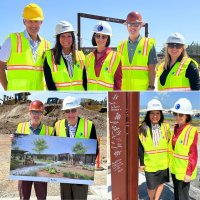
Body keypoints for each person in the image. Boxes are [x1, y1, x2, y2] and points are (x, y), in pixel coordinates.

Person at [54, 96, 98, 200]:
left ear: (78, 110)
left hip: (81, 172)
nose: (70, 114)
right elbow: (54, 146)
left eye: (73, 110)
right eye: (67, 111)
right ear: (64, 112)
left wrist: (86, 165)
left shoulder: (89, 125)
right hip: (64, 172)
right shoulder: (57, 125)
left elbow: (95, 148)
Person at [0, 3, 50, 91]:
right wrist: (7, 90)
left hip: (38, 94)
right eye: (30, 21)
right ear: (24, 21)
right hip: (16, 94)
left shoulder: (46, 45)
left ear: (41, 22)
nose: (33, 25)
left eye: (36, 21)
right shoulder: (12, 40)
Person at [11, 100, 53, 200]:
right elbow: (17, 147)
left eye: (39, 112)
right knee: (24, 197)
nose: (36, 115)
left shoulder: (49, 130)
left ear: (43, 114)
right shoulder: (21, 127)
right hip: (24, 169)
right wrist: (13, 139)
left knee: (41, 197)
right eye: (34, 112)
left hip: (41, 169)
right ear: (30, 113)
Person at [138, 99, 171, 200]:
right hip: (150, 164)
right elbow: (140, 148)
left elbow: (169, 144)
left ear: (161, 114)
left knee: (161, 183)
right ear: (148, 114)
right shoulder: (142, 128)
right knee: (151, 186)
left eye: (157, 113)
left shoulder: (166, 127)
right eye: (152, 113)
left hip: (163, 163)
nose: (155, 116)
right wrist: (142, 164)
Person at [117, 11, 157, 90]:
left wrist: (151, 87)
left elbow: (152, 69)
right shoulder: (120, 46)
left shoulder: (148, 44)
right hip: (124, 89)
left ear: (140, 26)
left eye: (136, 24)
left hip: (142, 91)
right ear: (126, 26)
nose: (133, 27)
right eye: (130, 24)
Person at [44, 21, 87, 90]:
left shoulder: (80, 55)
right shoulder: (50, 56)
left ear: (73, 37)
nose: (66, 39)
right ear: (58, 38)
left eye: (69, 36)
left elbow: (85, 81)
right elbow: (49, 84)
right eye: (62, 36)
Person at [169, 98, 198, 200]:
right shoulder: (175, 128)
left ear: (187, 116)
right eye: (175, 114)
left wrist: (188, 173)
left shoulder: (192, 131)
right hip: (175, 169)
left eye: (181, 114)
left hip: (184, 171)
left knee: (183, 197)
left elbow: (193, 155)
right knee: (176, 194)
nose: (177, 117)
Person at [85, 21, 122, 90]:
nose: (100, 39)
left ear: (108, 38)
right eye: (97, 36)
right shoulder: (88, 58)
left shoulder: (116, 57)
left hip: (107, 97)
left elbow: (118, 83)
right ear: (94, 37)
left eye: (104, 36)